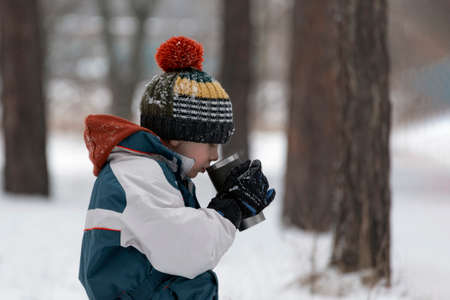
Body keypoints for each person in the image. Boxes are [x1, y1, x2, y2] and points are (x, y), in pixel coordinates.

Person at [78, 36, 275, 299]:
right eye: (210, 143)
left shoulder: (156, 171)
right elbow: (188, 251)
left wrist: (231, 209)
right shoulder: (137, 175)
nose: (215, 155)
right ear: (178, 135)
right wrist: (231, 208)